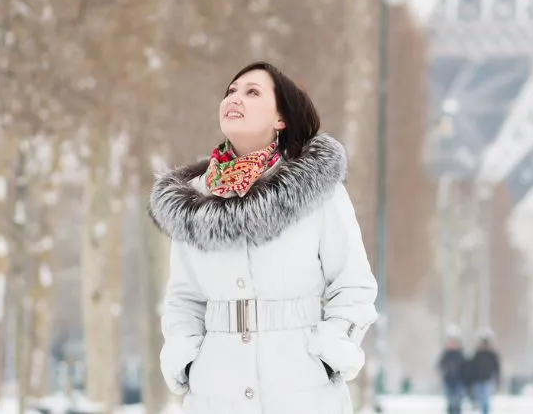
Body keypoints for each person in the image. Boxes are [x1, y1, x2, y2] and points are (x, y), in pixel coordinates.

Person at [151, 61, 378, 413]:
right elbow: (184, 297)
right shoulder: (193, 201)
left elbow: (352, 283)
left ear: (280, 119)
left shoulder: (318, 192)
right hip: (215, 393)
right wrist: (187, 358)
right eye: (231, 91)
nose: (235, 98)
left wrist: (330, 354)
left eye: (252, 92)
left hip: (304, 389)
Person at [467, 332, 501, 414]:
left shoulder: (492, 355)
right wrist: (470, 381)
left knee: (486, 400)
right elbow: (472, 368)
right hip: (478, 381)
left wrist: (497, 379)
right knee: (479, 400)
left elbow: (497, 368)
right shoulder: (477, 354)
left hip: (488, 380)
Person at [437, 330, 468, 414]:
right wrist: (446, 370)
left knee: (457, 402)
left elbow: (466, 367)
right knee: (450, 402)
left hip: (459, 381)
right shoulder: (445, 354)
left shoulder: (460, 354)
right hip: (448, 381)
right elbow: (440, 365)